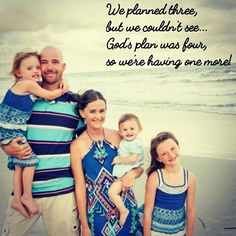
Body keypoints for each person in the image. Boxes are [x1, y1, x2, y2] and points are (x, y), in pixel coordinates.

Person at [1, 46, 84, 236]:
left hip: (61, 192)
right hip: (22, 194)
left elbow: (90, 136)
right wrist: (5, 146)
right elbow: (4, 123)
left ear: (63, 66)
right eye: (43, 62)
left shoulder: (75, 104)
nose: (48, 67)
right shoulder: (24, 99)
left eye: (55, 62)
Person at [70, 89, 143, 236]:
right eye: (93, 111)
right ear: (83, 113)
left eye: (102, 111)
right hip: (97, 210)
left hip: (125, 202)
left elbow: (139, 166)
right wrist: (84, 225)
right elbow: (80, 186)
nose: (98, 116)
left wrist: (131, 174)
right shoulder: (77, 146)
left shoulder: (118, 136)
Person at [139, 131, 196, 236]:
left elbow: (191, 210)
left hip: (177, 230)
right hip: (155, 230)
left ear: (178, 147)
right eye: (164, 153)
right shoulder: (155, 178)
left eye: (173, 148)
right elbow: (148, 211)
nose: (171, 155)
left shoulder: (190, 178)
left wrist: (189, 234)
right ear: (158, 158)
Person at [108, 113, 144, 225]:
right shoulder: (126, 141)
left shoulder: (135, 143)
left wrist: (119, 160)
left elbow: (133, 158)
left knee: (112, 193)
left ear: (139, 129)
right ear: (120, 132)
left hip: (127, 172)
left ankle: (123, 211)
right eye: (125, 129)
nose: (128, 132)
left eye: (132, 128)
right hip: (124, 171)